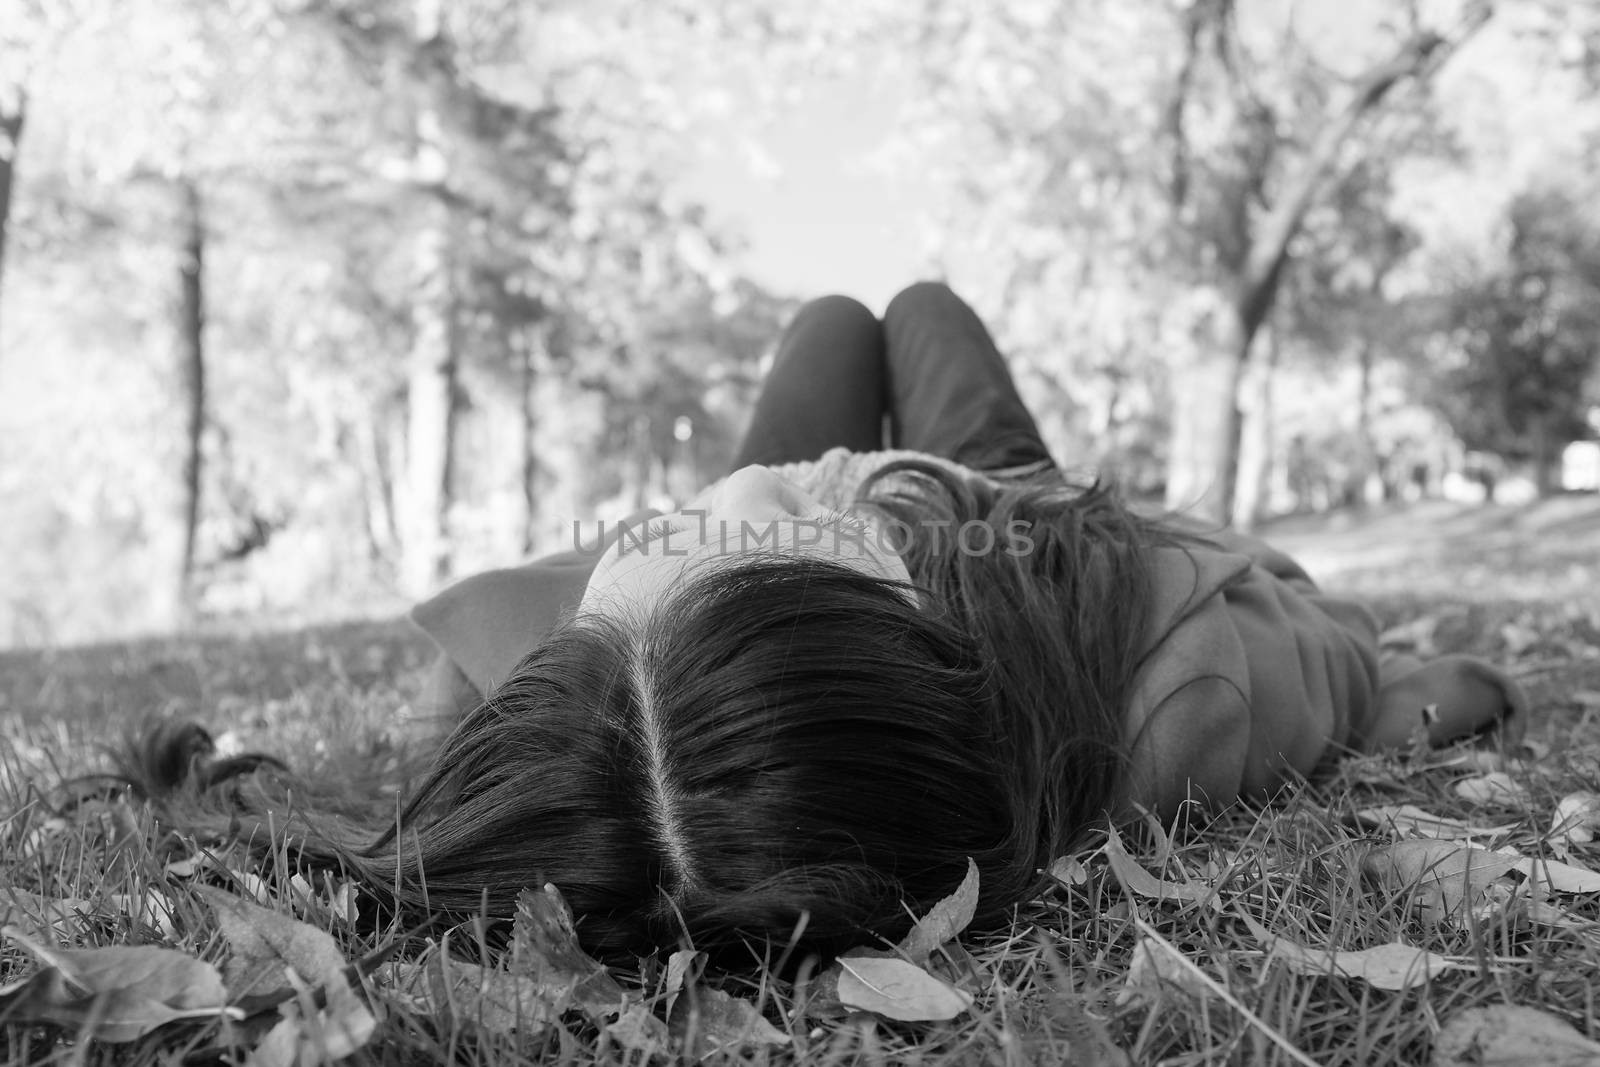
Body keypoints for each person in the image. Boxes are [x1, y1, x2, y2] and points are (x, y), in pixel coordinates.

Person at [152, 282, 1528, 963]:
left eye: (655, 568)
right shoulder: (1170, 690)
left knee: (827, 325)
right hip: (1006, 515)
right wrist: (1427, 686)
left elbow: (514, 666)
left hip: (861, 559)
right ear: (899, 656)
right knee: (916, 307)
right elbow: (1351, 659)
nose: (719, 504)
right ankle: (876, 493)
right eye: (726, 546)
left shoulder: (600, 696)